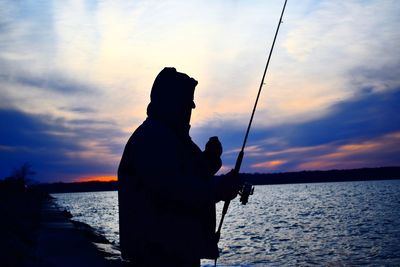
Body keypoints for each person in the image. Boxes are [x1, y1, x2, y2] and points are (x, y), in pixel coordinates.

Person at [118, 67, 240, 266]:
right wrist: (218, 189)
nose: (189, 110)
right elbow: (173, 188)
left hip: (177, 253)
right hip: (157, 256)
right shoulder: (152, 138)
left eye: (190, 105)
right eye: (186, 104)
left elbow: (186, 175)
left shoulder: (172, 137)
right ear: (170, 102)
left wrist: (210, 160)